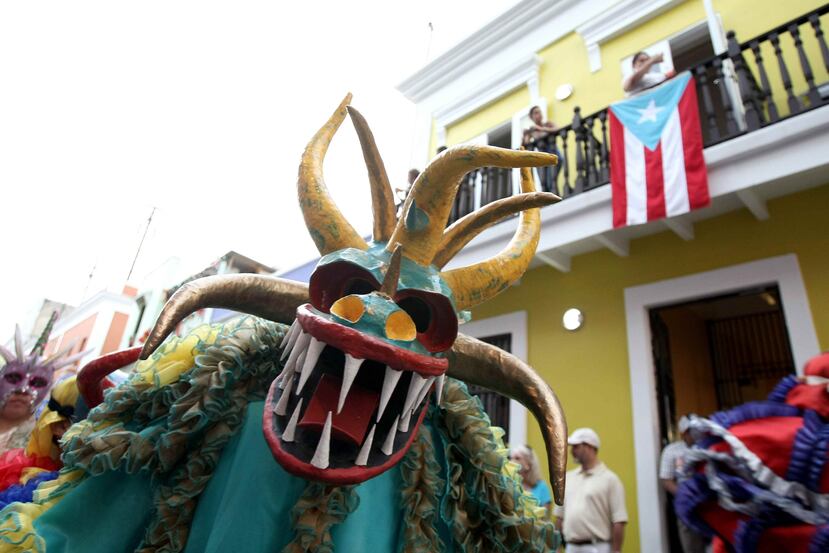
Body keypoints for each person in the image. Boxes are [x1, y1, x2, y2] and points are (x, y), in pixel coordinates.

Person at [554, 428, 627, 553]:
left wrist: (616, 551)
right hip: (571, 547)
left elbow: (618, 520)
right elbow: (559, 518)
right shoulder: (568, 478)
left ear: (590, 447)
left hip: (598, 547)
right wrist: (556, 548)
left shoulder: (610, 479)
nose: (572, 451)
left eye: (576, 446)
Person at [659, 416, 706, 553]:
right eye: (693, 431)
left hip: (710, 503)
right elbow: (666, 481)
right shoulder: (671, 451)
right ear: (684, 432)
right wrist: (686, 496)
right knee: (692, 545)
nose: (697, 434)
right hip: (687, 505)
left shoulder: (707, 447)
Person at [522, 105, 561, 193]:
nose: (539, 114)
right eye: (536, 113)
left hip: (553, 151)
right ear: (531, 117)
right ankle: (548, 192)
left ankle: (552, 190)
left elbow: (557, 129)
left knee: (555, 168)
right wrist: (524, 135)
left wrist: (541, 128)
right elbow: (525, 144)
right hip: (542, 157)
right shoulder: (532, 131)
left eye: (539, 112)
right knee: (544, 178)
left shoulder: (548, 124)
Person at [510, 444, 553, 518]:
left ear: (528, 464)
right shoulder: (510, 485)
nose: (511, 461)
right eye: (511, 458)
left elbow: (545, 518)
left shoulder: (542, 487)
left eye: (517, 458)